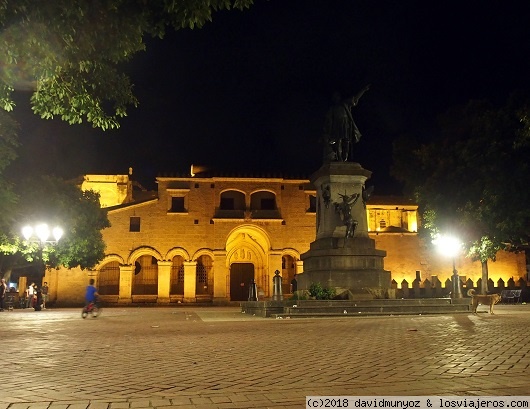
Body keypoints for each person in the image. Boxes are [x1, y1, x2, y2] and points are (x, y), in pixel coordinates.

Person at [323, 84, 370, 162]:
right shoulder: (332, 109)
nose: (336, 98)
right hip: (336, 126)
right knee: (338, 142)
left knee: (346, 142)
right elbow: (328, 121)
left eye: (337, 96)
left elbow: (355, 99)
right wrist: (327, 132)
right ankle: (340, 158)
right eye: (334, 97)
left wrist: (363, 90)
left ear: (339, 97)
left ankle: (345, 158)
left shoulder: (345, 104)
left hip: (345, 125)